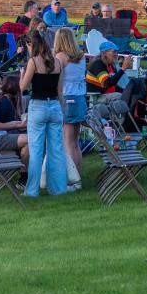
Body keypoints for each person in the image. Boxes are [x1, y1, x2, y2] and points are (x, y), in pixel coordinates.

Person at [19, 31, 67, 197]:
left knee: (36, 150)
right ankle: (59, 188)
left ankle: (32, 190)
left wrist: (20, 76)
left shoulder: (33, 61)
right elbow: (60, 91)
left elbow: (22, 88)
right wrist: (62, 111)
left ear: (30, 45)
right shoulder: (58, 62)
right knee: (56, 151)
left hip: (38, 107)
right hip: (54, 106)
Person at [52, 27, 86, 191]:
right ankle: (77, 177)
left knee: (68, 143)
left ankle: (73, 180)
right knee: (75, 144)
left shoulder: (60, 57)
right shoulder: (81, 57)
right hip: (80, 99)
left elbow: (55, 81)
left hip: (67, 99)